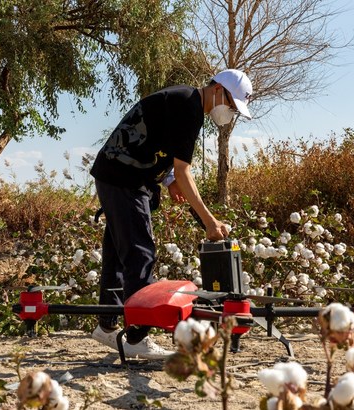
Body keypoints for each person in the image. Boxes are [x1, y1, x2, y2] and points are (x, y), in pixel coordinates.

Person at [90, 69, 253, 359]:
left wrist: (167, 181)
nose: (228, 112)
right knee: (140, 252)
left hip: (121, 173)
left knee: (119, 249)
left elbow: (156, 142)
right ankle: (137, 336)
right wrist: (209, 221)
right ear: (218, 89)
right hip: (123, 177)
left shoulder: (186, 101)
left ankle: (107, 326)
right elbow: (184, 170)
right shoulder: (188, 106)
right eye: (230, 105)